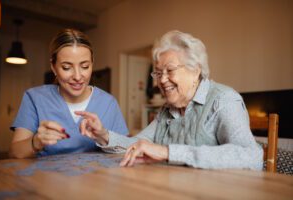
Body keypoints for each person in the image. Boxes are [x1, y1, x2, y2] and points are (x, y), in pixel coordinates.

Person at [77, 30, 263, 170]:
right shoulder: (167, 110)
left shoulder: (223, 100)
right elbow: (138, 144)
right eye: (158, 73)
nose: (162, 80)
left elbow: (250, 156)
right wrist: (103, 134)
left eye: (170, 70)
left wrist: (167, 152)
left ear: (195, 70)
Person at [9, 29, 128, 158]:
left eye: (85, 66)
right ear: (54, 67)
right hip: (46, 177)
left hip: (96, 177)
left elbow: (127, 150)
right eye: (67, 67)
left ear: (92, 64)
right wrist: (35, 142)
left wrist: (104, 136)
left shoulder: (108, 103)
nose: (77, 76)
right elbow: (14, 153)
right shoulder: (35, 98)